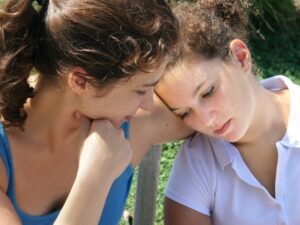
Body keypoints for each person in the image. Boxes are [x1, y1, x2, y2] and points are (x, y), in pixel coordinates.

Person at [0, 0, 192, 224]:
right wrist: (95, 177)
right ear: (81, 82)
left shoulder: (134, 127)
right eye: (141, 90)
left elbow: (229, 116)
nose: (150, 104)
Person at [155, 0, 300, 224]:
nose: (205, 120)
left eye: (207, 92)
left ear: (240, 57)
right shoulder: (197, 161)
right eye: (184, 113)